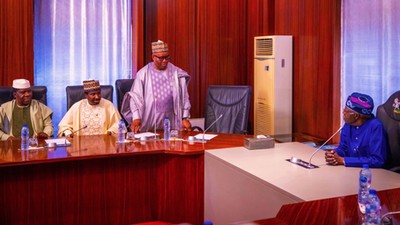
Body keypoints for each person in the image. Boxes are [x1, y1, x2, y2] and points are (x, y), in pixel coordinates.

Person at [121, 40, 192, 133]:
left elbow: (184, 96)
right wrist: (136, 118)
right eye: (161, 58)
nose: (165, 60)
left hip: (172, 125)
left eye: (167, 57)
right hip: (149, 124)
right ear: (153, 57)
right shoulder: (143, 74)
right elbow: (135, 97)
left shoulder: (176, 72)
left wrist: (185, 117)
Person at [325, 92, 387, 168]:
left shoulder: (376, 127)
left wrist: (344, 160)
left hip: (369, 173)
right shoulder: (349, 124)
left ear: (356, 116)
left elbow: (377, 160)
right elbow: (343, 148)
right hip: (350, 170)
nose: (343, 113)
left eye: (346, 111)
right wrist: (334, 154)